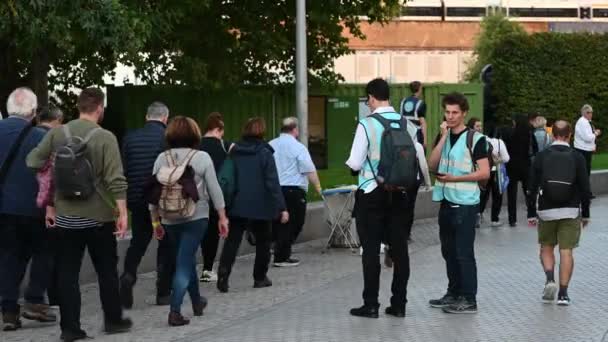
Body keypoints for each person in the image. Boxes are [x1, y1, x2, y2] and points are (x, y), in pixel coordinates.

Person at [27, 88, 132, 341]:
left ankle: (70, 328)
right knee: (106, 270)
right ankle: (113, 320)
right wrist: (122, 211)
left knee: (67, 273)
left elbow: (32, 161)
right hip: (98, 217)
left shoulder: (57, 133)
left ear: (78, 107)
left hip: (65, 216)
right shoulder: (105, 137)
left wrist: (51, 196)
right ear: (100, 108)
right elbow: (115, 178)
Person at [346, 78, 423, 319]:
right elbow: (417, 156)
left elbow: (355, 162)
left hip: (372, 194)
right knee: (400, 250)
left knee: (370, 251)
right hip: (400, 194)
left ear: (371, 97)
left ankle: (370, 304)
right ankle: (399, 304)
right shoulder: (407, 124)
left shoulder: (366, 124)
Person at [149, 116, 229, 326]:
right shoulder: (201, 157)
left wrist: (155, 221)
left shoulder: (161, 158)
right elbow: (214, 189)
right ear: (194, 134)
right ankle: (175, 311)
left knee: (186, 259)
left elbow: (154, 192)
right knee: (184, 263)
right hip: (197, 217)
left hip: (168, 217)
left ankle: (197, 302)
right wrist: (222, 216)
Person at [428, 92, 490, 314]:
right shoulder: (444, 136)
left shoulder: (476, 139)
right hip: (446, 201)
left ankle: (469, 299)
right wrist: (443, 137)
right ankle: (453, 293)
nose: (451, 116)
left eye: (455, 112)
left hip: (465, 204)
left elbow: (483, 173)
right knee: (448, 251)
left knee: (463, 252)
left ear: (464, 113)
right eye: (447, 112)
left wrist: (454, 178)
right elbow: (432, 163)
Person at [0, 88, 56, 331]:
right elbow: (52, 173)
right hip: (35, 208)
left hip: (3, 209)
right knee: (45, 251)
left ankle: (9, 311)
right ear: (33, 112)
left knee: (9, 256)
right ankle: (34, 300)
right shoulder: (40, 136)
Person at [216, 117, 288, 293]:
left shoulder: (235, 151)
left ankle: (224, 274)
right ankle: (260, 277)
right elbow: (272, 183)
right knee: (263, 242)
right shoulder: (265, 153)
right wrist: (282, 207)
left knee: (232, 241)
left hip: (237, 204)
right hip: (261, 206)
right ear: (262, 132)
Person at [528, 120, 591, 306]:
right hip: (571, 210)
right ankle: (563, 294)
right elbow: (585, 187)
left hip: (546, 210)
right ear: (570, 134)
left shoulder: (541, 156)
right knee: (566, 251)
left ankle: (549, 279)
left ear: (552, 134)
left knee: (546, 247)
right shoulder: (577, 156)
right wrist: (585, 213)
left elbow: (531, 186)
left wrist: (531, 212)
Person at [119, 102, 175, 309]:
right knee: (167, 243)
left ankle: (128, 275)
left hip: (136, 198)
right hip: (161, 200)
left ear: (146, 117)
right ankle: (162, 292)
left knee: (139, 242)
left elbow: (123, 171)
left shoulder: (130, 138)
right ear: (165, 118)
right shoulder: (168, 138)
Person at [269, 117, 322, 267]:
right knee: (294, 223)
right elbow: (309, 169)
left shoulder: (270, 145)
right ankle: (281, 256)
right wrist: (318, 187)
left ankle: (277, 246)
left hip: (274, 190)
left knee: (278, 221)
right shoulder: (298, 147)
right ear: (295, 130)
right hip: (293, 191)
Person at [199, 112, 230, 282]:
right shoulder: (222, 147)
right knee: (211, 233)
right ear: (218, 129)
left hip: (194, 195)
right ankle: (207, 269)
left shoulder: (196, 145)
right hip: (214, 196)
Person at [504, 114, 537, 227]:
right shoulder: (529, 133)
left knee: (511, 194)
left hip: (511, 166)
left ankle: (512, 219)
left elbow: (506, 149)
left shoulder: (510, 134)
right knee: (528, 191)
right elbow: (535, 149)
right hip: (526, 166)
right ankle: (531, 214)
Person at [479, 126, 510, 227]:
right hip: (496, 172)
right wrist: (497, 159)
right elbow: (506, 158)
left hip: (484, 171)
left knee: (483, 194)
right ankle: (494, 219)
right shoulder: (500, 142)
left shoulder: (481, 140)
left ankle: (478, 214)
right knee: (497, 195)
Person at [574, 104, 601, 178]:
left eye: (591, 112)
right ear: (584, 113)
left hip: (585, 149)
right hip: (582, 150)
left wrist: (593, 146)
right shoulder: (583, 122)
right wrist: (596, 133)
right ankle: (584, 188)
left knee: (585, 170)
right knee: (584, 172)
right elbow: (587, 138)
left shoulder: (587, 121)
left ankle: (584, 187)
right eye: (588, 112)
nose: (591, 114)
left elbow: (589, 134)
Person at [400, 81, 427, 147]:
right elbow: (422, 122)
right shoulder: (420, 103)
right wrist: (425, 140)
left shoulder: (403, 102)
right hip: (416, 136)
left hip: (404, 135)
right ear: (420, 89)